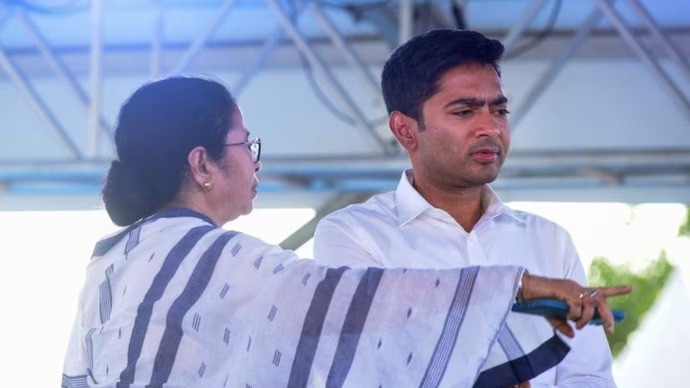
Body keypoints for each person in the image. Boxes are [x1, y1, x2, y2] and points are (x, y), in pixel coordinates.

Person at [62, 76, 630, 388]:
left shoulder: (111, 264)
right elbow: (362, 308)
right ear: (202, 164)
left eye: (497, 110)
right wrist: (519, 288)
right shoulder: (226, 261)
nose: (256, 161)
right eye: (245, 144)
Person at [313, 29, 622, 387]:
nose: (490, 128)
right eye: (464, 111)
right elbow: (367, 365)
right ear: (405, 130)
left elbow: (588, 375)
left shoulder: (548, 240)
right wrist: (518, 287)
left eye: (500, 109)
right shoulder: (353, 236)